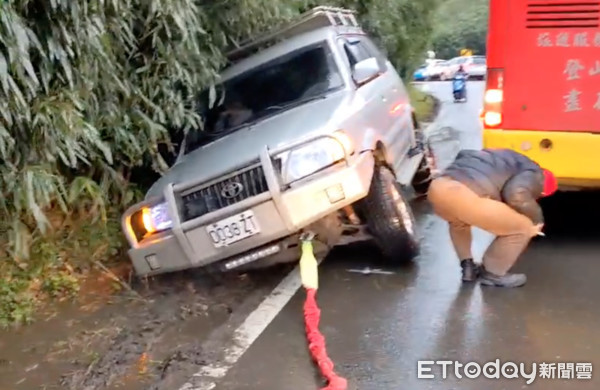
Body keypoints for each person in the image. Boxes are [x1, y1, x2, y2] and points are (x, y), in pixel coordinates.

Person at [427, 148, 558, 288]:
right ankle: (493, 273)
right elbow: (517, 195)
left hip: (438, 188)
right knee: (523, 227)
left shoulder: (505, 158)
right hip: (465, 194)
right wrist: (536, 220)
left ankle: (468, 268)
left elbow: (463, 153)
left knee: (458, 222)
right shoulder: (534, 174)